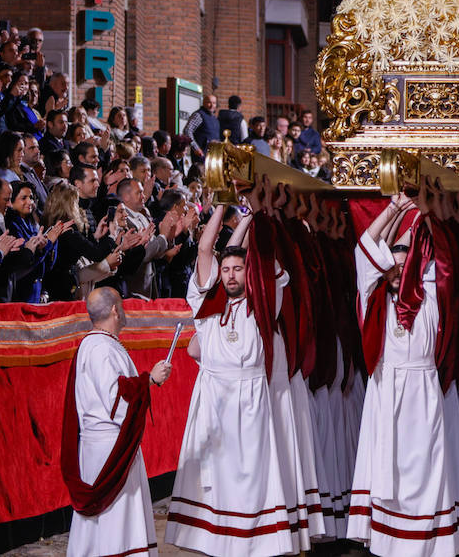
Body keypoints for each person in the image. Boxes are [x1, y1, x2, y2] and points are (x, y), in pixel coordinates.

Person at [166, 204, 303, 554]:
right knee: (216, 478)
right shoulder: (206, 307)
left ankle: (256, 543)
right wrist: (226, 207)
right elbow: (203, 249)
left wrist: (253, 220)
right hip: (213, 397)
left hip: (252, 396)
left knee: (253, 477)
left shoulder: (264, 302)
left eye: (237, 269)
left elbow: (266, 261)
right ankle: (216, 541)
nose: (229, 275)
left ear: (249, 272)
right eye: (224, 269)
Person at [349, 194, 459, 555]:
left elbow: (445, 261)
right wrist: (395, 209)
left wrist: (425, 215)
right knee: (388, 474)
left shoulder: (430, 297)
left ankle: (429, 547)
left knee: (426, 472)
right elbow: (363, 247)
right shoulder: (375, 298)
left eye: (405, 266)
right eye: (392, 268)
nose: (398, 273)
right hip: (386, 390)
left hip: (423, 393)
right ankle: (388, 546)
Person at [61, 287, 173, 557]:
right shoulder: (101, 348)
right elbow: (116, 400)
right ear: (114, 310)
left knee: (102, 526)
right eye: (121, 305)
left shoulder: (97, 343)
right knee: (115, 522)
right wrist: (150, 380)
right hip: (110, 449)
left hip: (100, 448)